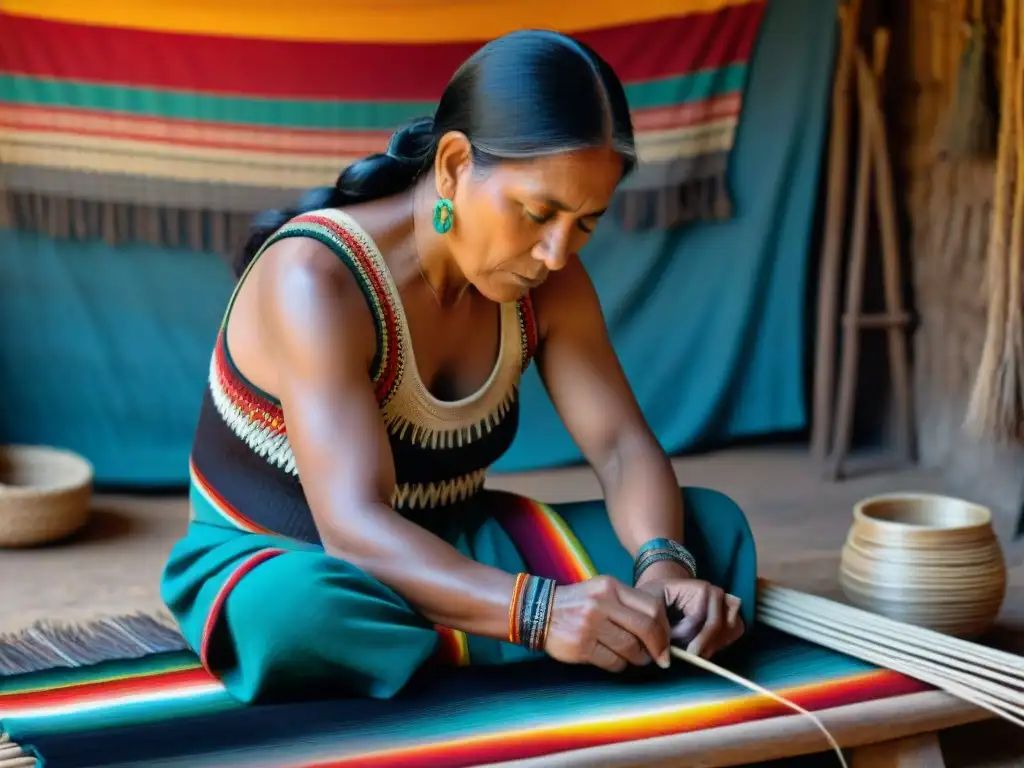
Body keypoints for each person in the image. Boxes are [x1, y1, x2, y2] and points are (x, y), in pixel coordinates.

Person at [161, 29, 756, 705]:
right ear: (451, 166)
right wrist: (538, 612)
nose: (557, 252)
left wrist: (662, 567)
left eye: (586, 223)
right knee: (298, 619)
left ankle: (454, 642)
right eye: (538, 213)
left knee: (710, 531)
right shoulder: (317, 279)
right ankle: (524, 634)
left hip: (453, 546)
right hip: (295, 560)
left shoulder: (550, 283)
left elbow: (620, 448)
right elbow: (354, 528)